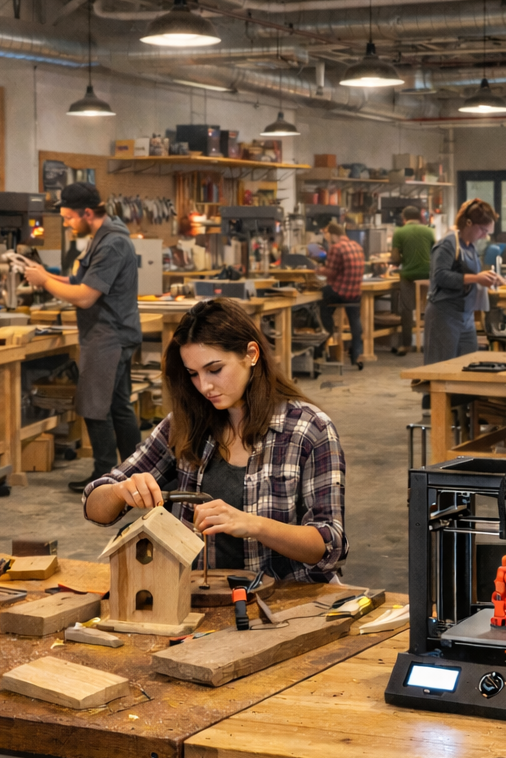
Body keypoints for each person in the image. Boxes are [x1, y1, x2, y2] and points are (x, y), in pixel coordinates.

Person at [82, 298, 347, 582]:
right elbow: (94, 505)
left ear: (251, 354)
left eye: (215, 369)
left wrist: (253, 524)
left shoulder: (308, 430)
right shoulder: (185, 424)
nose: (204, 386)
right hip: (201, 598)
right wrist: (121, 491)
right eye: (193, 374)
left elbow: (331, 545)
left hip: (287, 602)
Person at [23, 183, 145, 492]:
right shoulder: (102, 238)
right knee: (118, 406)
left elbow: (85, 296)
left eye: (68, 218)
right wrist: (47, 275)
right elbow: (80, 281)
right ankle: (135, 472)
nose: (65, 223)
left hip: (109, 335)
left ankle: (105, 475)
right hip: (109, 333)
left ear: (87, 213)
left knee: (94, 407)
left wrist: (44, 282)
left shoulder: (112, 244)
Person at [425, 198, 503, 364]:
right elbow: (440, 276)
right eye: (483, 230)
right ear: (469, 223)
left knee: (467, 365)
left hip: (466, 316)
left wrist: (490, 277)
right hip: (444, 314)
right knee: (442, 368)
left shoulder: (470, 246)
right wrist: (477, 278)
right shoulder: (448, 244)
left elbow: (467, 273)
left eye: (488, 232)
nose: (485, 236)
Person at [317, 220, 366, 371]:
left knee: (319, 303)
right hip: (355, 294)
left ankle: (325, 337)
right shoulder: (357, 246)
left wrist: (317, 270)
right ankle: (357, 355)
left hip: (340, 293)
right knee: (355, 321)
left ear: (332, 234)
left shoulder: (336, 248)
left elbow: (331, 272)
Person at [389, 205, 433, 356]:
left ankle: (405, 345)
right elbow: (437, 252)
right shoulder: (429, 231)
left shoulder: (400, 232)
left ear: (404, 218)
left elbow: (395, 258)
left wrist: (404, 259)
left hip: (408, 275)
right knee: (429, 308)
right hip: (428, 275)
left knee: (406, 309)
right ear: (420, 217)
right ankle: (430, 344)